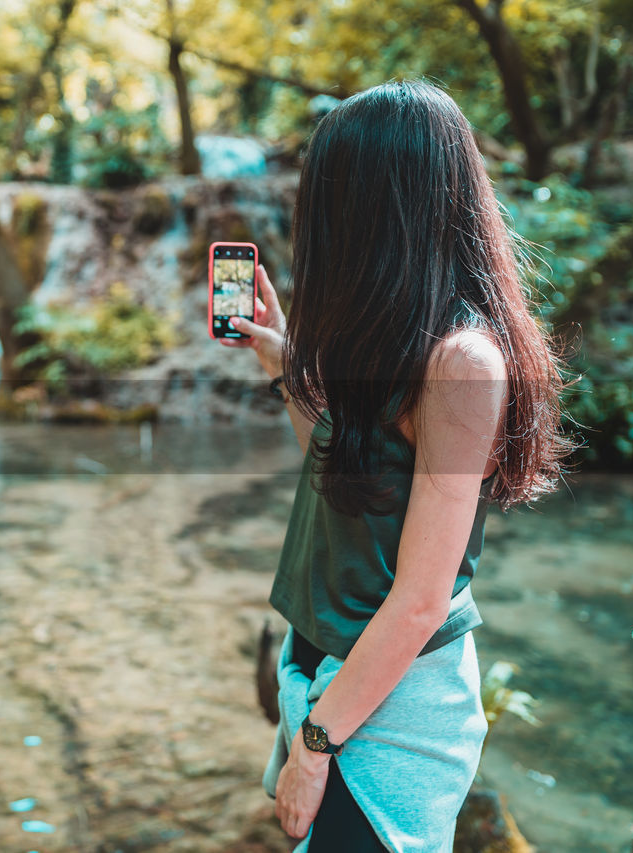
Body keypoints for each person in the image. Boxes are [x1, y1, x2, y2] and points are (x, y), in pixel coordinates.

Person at [220, 79, 574, 851]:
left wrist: (315, 748)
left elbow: (420, 599)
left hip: (386, 710)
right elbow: (343, 467)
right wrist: (281, 359)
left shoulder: (463, 362)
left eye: (332, 202)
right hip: (331, 682)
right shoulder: (393, 340)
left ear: (380, 209)